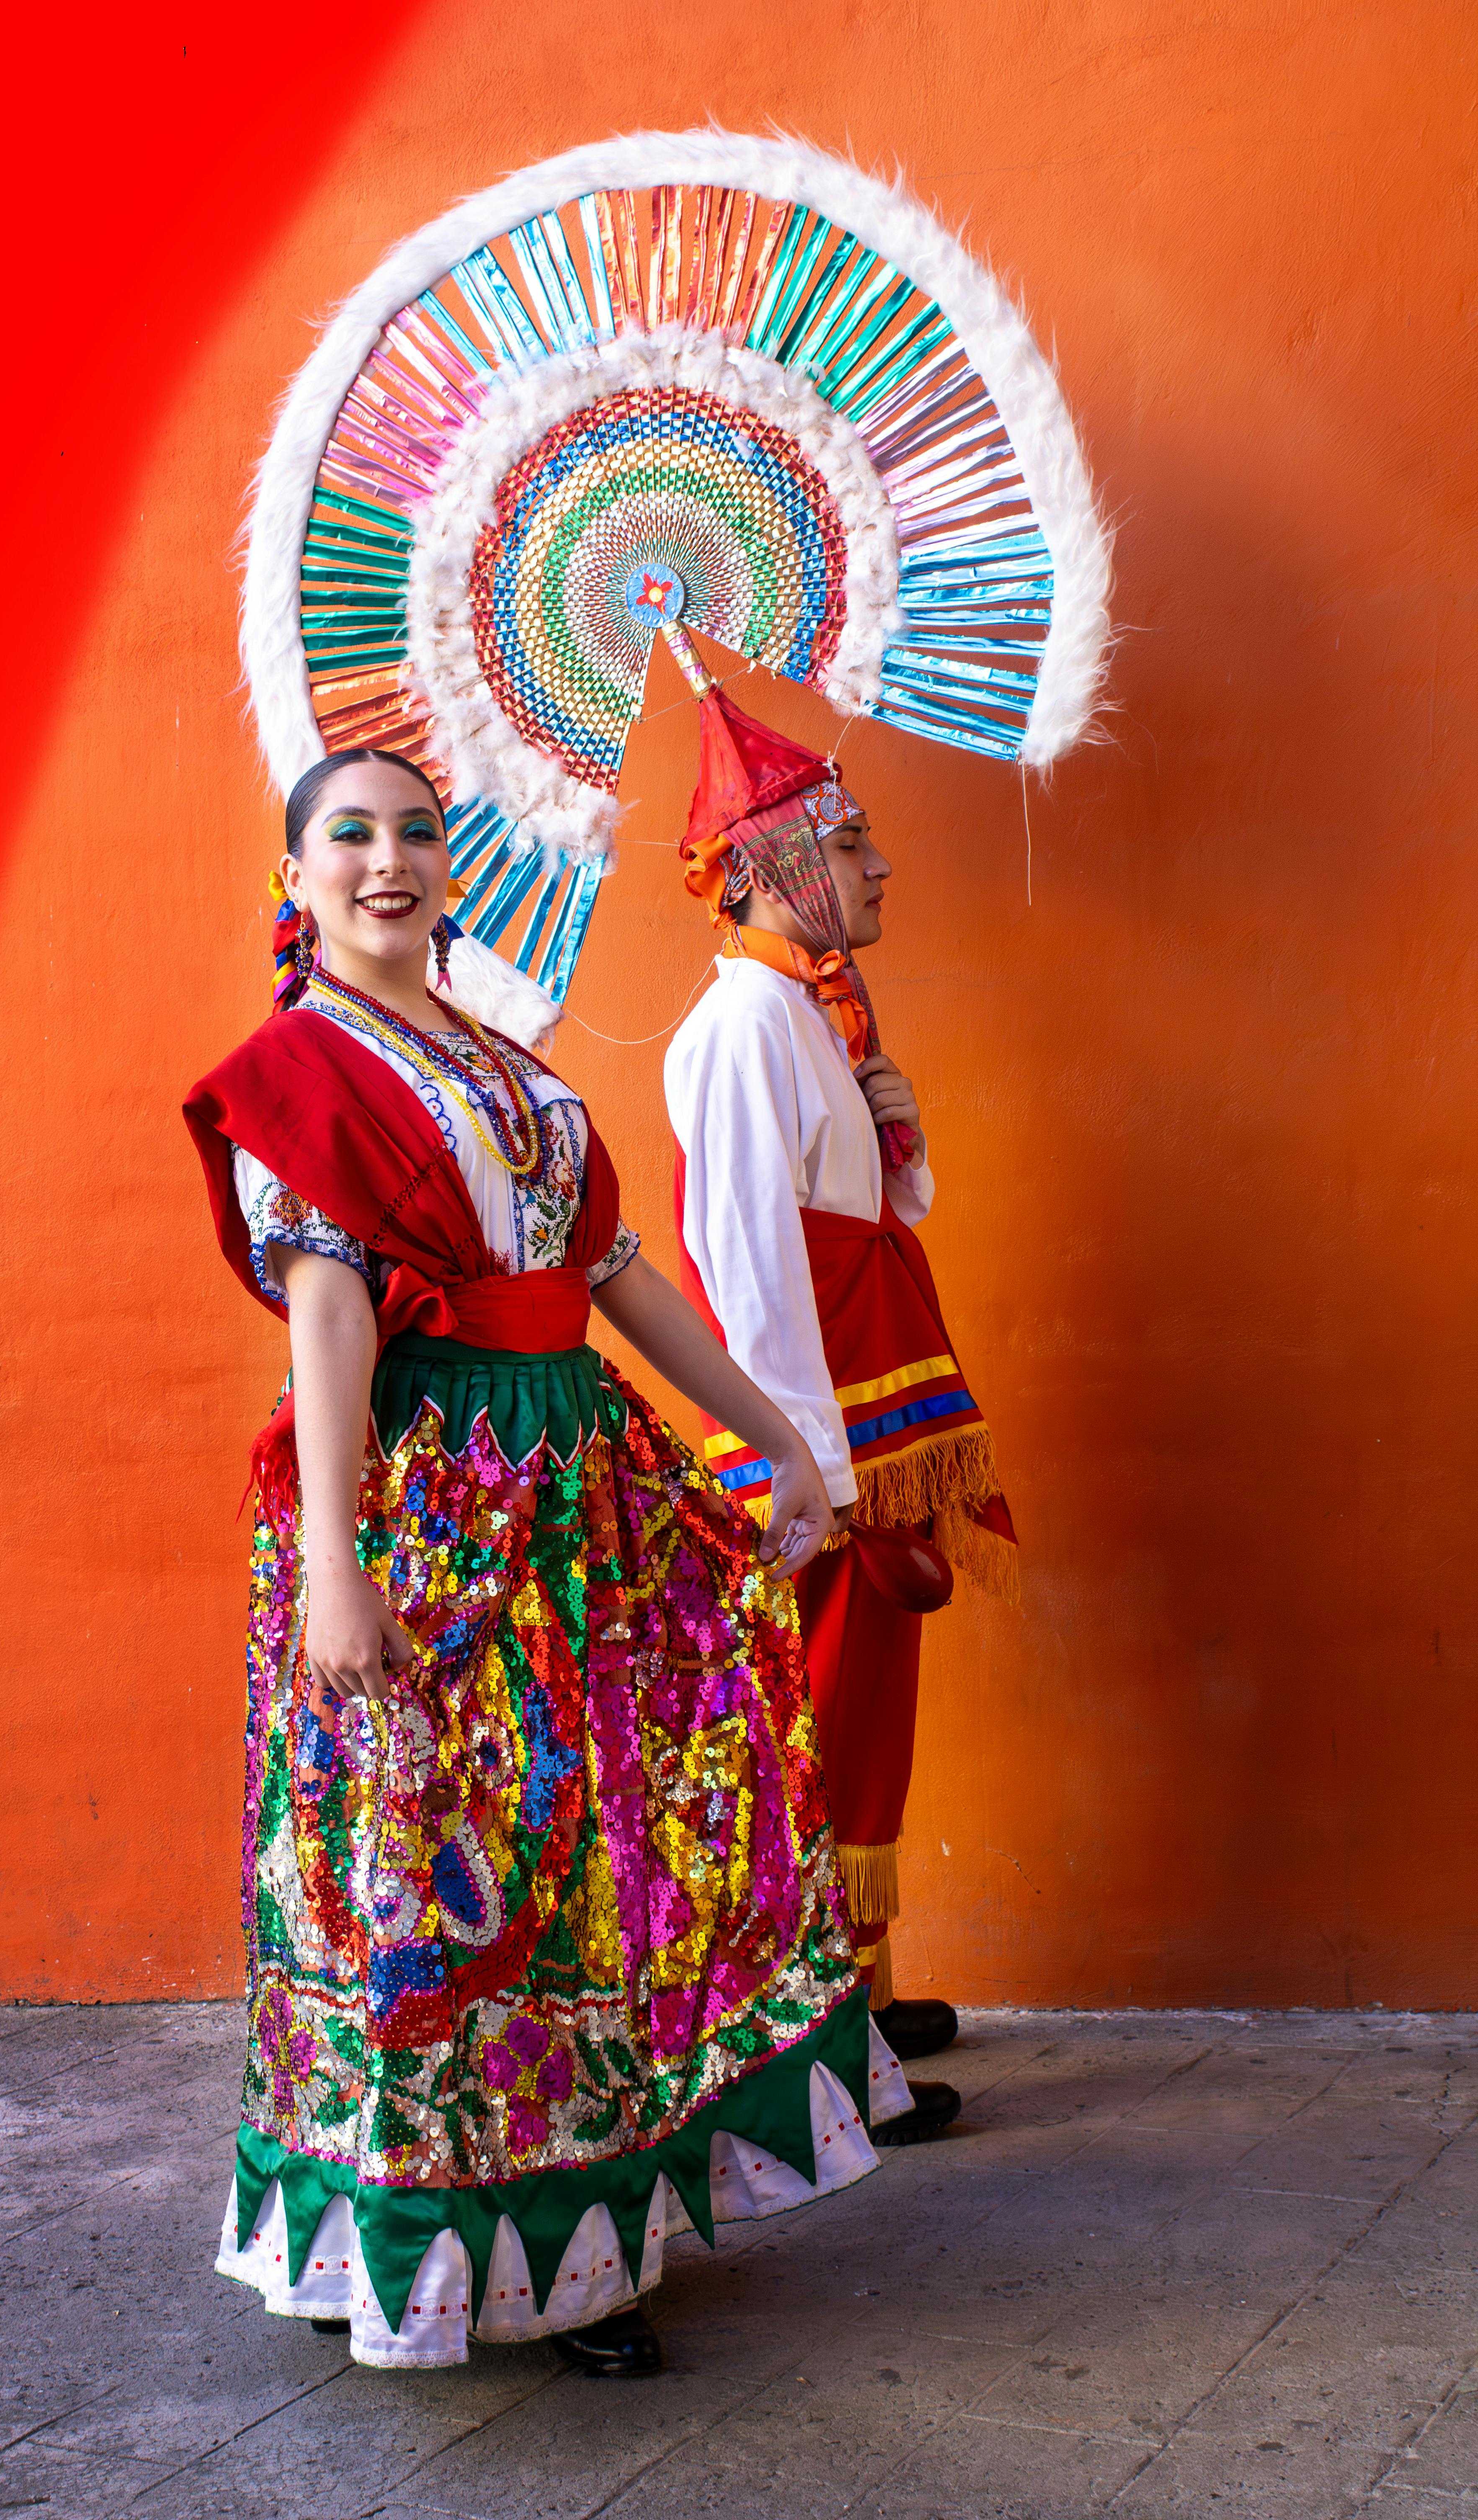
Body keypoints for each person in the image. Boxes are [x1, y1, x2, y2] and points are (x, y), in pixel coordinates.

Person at [184, 746, 917, 2377]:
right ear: (297, 877)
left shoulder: (510, 1070)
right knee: (439, 1879)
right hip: (422, 1508)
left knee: (590, 1858)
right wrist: (335, 1563)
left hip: (572, 1498)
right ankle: (422, 2249)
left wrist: (771, 1435)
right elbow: (326, 1320)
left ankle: (583, 2249)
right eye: (350, 836)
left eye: (416, 832)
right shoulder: (296, 1074)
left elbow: (621, 1282)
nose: (390, 860)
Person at [661, 652, 1019, 2138]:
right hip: (825, 1449)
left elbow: (865, 1217)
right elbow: (742, 1260)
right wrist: (807, 1469)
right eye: (851, 842)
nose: (876, 865)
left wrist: (896, 1127)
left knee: (862, 1725)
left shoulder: (808, 1015)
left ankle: (857, 2000)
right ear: (777, 864)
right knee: (816, 1735)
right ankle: (811, 2059)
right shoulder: (742, 1027)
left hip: (867, 1422)